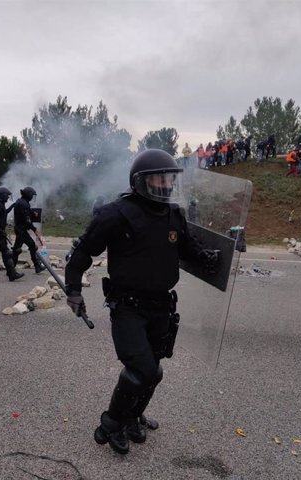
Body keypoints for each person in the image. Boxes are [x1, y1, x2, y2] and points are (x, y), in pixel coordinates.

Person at [64, 149, 219, 455]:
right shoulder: (116, 214)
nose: (166, 184)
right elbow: (82, 251)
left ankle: (134, 416)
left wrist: (208, 257)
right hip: (128, 306)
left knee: (155, 371)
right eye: (160, 178)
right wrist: (73, 290)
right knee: (141, 370)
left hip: (161, 305)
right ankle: (112, 424)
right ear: (141, 181)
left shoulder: (174, 214)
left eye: (170, 178)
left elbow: (186, 247)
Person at [11, 186, 45, 273]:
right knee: (32, 246)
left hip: (19, 229)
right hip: (21, 230)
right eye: (32, 195)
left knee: (16, 249)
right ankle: (37, 267)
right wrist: (34, 229)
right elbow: (26, 220)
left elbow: (25, 213)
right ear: (28, 195)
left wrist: (33, 213)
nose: (32, 197)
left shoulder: (21, 202)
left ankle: (10, 269)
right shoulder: (24, 204)